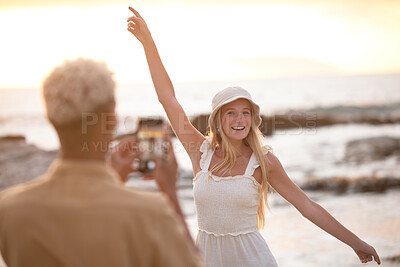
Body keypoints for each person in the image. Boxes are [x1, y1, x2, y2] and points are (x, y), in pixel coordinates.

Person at [127, 7, 381, 267]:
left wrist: (356, 242)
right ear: (218, 120)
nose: (240, 120)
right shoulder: (200, 152)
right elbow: (167, 98)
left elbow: (307, 206)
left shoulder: (263, 161)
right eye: (231, 113)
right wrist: (148, 42)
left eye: (245, 113)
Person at [0, 58, 203, 267]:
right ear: (111, 119)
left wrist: (116, 178)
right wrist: (170, 192)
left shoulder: (10, 210)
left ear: (51, 118)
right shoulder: (150, 214)